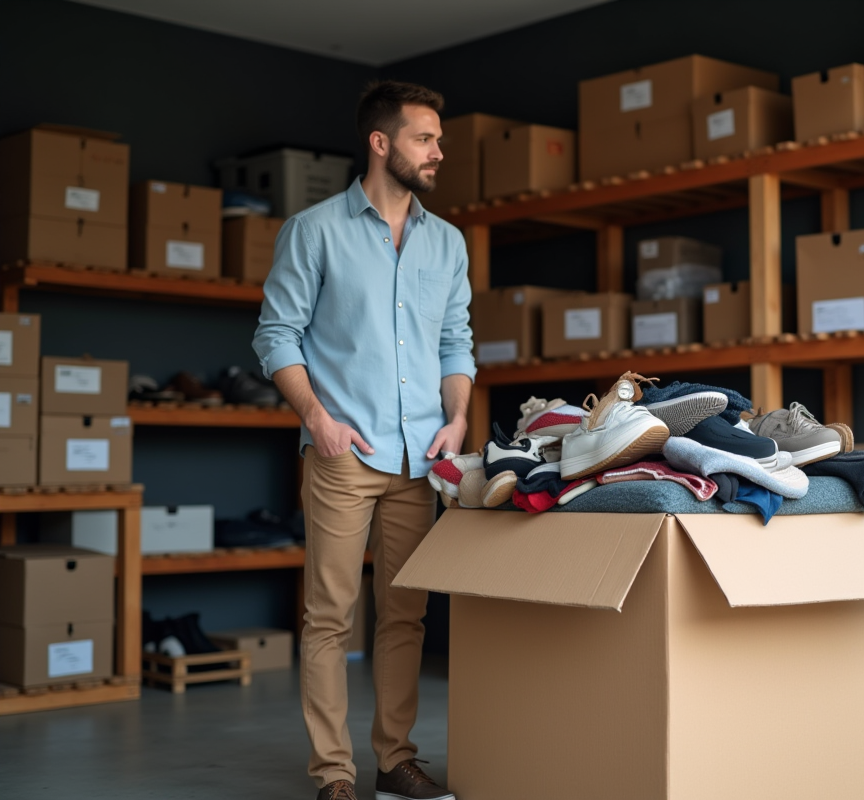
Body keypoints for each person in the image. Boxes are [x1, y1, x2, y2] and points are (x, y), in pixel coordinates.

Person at [252, 80, 473, 800]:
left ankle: (393, 760)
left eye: (438, 139)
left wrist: (458, 416)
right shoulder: (314, 230)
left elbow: (454, 340)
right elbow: (275, 334)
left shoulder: (447, 242)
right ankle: (333, 774)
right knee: (331, 616)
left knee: (405, 615)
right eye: (425, 138)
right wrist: (316, 419)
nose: (439, 151)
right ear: (382, 144)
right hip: (344, 456)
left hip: (421, 460)